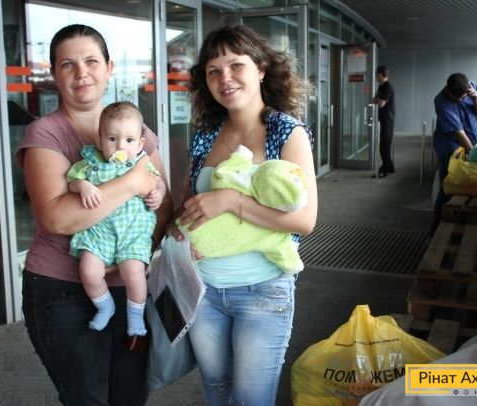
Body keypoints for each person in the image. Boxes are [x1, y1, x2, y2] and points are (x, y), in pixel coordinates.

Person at [16, 24, 172, 405]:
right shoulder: (45, 134)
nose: (81, 73)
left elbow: (165, 201)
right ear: (55, 75)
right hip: (62, 292)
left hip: (130, 288)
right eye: (67, 65)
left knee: (131, 396)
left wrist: (137, 252)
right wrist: (132, 183)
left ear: (109, 68)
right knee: (87, 398)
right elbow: (57, 217)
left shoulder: (136, 128)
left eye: (91, 61)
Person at [169, 25, 318, 405]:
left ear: (261, 69)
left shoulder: (286, 132)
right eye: (213, 71)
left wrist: (230, 201)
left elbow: (305, 221)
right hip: (203, 289)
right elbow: (188, 205)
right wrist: (179, 233)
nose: (225, 78)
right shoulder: (206, 133)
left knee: (252, 399)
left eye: (236, 65)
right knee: (216, 389)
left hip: (263, 289)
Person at [67, 101, 165, 339]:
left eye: (129, 140)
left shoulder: (142, 163)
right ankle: (105, 306)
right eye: (112, 139)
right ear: (100, 141)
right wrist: (83, 186)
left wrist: (158, 194)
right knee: (88, 272)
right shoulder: (89, 163)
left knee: (134, 274)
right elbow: (72, 181)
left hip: (132, 233)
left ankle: (135, 316)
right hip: (98, 233)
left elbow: (158, 182)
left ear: (140, 144)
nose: (120, 146)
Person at [430, 72, 477, 234]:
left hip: (472, 143)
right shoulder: (441, 102)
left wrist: (476, 101)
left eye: (463, 97)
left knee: (469, 187)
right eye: (457, 98)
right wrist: (476, 157)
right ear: (448, 91)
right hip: (450, 148)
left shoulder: (471, 88)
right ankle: (434, 232)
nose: (460, 100)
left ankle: (459, 228)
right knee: (447, 189)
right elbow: (459, 133)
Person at [371, 65, 396, 178]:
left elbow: (381, 103)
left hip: (387, 120)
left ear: (381, 74)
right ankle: (390, 167)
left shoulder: (387, 87)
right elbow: (374, 99)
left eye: (377, 74)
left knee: (384, 147)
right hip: (383, 120)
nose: (376, 76)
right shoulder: (381, 87)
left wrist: (378, 100)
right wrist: (378, 99)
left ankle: (384, 169)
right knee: (384, 146)